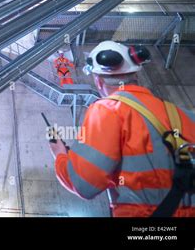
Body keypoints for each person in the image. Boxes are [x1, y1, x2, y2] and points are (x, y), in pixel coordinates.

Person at [49, 40, 195, 217]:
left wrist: (60, 155)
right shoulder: (186, 116)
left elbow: (83, 184)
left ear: (98, 81)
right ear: (136, 76)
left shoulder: (107, 110)